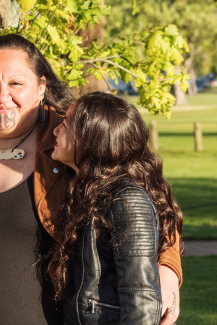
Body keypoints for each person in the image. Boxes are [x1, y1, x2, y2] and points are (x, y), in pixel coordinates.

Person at [0, 34, 182, 324]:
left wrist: (168, 271)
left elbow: (147, 202)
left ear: (41, 87)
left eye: (15, 83)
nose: (1, 96)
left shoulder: (71, 142)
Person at [50, 92, 184, 324]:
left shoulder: (127, 201)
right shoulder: (88, 190)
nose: (55, 131)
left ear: (89, 137)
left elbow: (141, 299)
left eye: (64, 126)